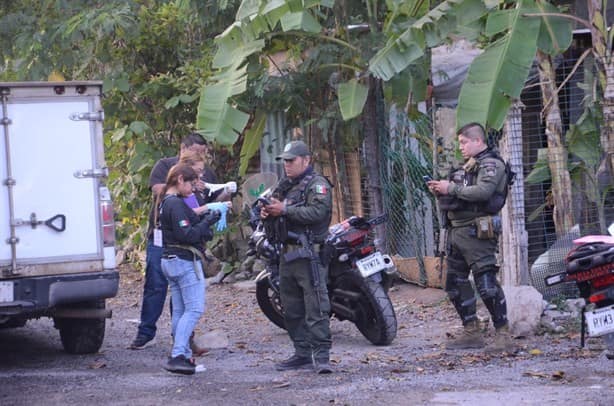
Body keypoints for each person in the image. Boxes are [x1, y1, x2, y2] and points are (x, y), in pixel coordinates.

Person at [427, 122, 515, 353]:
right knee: (454, 284)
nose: (462, 147)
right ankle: (472, 331)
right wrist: (442, 189)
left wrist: (451, 190)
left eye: (465, 142)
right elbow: (463, 193)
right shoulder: (469, 166)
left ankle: (504, 335)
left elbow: (483, 192)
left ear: (478, 141)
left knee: (486, 284)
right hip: (457, 232)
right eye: (460, 143)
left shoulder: (492, 165)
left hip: (477, 233)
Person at [130, 133, 218, 350]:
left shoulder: (206, 173)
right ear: (183, 148)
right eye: (196, 152)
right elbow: (159, 190)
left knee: (182, 296)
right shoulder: (166, 167)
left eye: (203, 153)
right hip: (164, 236)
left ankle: (182, 339)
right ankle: (146, 332)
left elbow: (214, 198)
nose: (200, 158)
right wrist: (188, 187)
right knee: (156, 285)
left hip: (190, 239)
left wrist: (220, 199)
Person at [260, 140, 334, 374]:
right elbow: (275, 207)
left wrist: (285, 210)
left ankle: (321, 356)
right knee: (291, 307)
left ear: (306, 160)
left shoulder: (317, 184)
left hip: (310, 253)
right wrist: (268, 212)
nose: (287, 165)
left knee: (316, 307)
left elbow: (318, 212)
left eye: (291, 161)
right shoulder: (285, 186)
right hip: (287, 254)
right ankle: (302, 352)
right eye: (285, 161)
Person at [156, 163, 220, 374]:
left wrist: (206, 222)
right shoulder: (175, 204)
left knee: (181, 310)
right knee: (194, 309)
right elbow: (188, 235)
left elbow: (191, 226)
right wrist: (207, 222)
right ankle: (177, 355)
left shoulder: (167, 202)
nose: (193, 189)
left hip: (169, 260)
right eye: (191, 184)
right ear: (180, 179)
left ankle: (182, 353)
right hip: (183, 261)